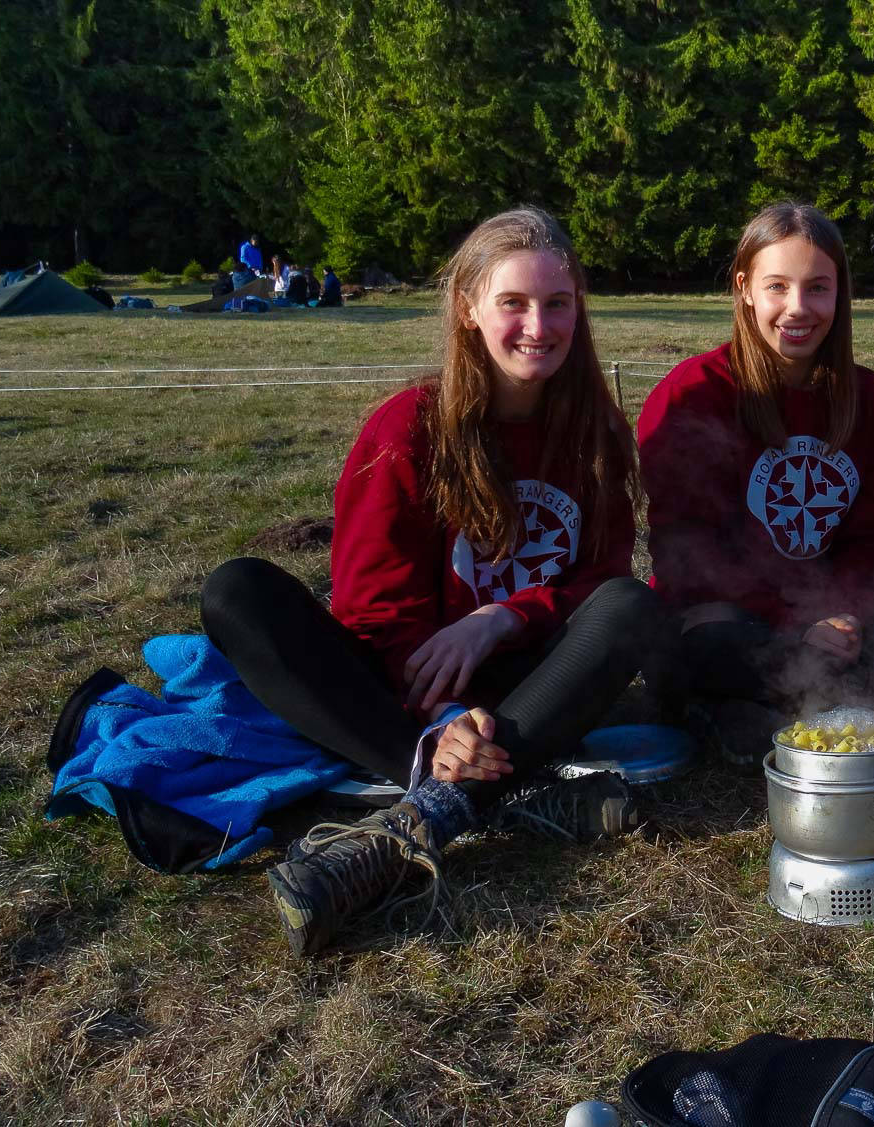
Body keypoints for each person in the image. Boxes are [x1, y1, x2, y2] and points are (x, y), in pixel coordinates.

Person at [200, 207, 674, 955]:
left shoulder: (597, 431)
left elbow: (599, 580)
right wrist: (439, 720)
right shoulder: (407, 428)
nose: (538, 326)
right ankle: (479, 789)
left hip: (528, 684)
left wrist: (504, 618)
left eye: (557, 303)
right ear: (467, 307)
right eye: (513, 302)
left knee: (631, 606)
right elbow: (375, 611)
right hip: (407, 680)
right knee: (237, 592)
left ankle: (416, 823)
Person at [635, 202, 874, 762]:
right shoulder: (693, 393)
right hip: (723, 619)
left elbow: (870, 536)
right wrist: (795, 626)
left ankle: (757, 716)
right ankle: (728, 707)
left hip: (825, 621)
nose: (798, 307)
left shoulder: (868, 398)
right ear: (744, 288)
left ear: (840, 293)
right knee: (716, 641)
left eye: (818, 288)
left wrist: (846, 613)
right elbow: (686, 555)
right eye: (777, 286)